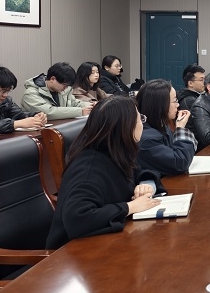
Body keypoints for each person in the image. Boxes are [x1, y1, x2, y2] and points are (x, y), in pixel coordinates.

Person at [46, 96, 161, 249]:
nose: (142, 123)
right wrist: (130, 207)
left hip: (109, 243)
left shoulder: (115, 152)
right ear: (126, 127)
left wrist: (145, 185)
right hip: (73, 254)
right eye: (140, 118)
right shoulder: (88, 169)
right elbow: (77, 218)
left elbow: (139, 172)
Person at [136, 79, 197, 177]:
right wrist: (180, 130)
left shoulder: (160, 124)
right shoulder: (146, 138)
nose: (178, 105)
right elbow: (179, 163)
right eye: (174, 101)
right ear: (160, 105)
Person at [21, 62, 93, 120]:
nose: (65, 88)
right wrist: (80, 111)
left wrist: (91, 106)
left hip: (60, 127)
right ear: (52, 79)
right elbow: (49, 112)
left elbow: (74, 103)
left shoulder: (62, 91)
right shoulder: (30, 94)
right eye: (64, 85)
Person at [0, 66, 47, 133]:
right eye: (3, 91)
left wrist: (35, 116)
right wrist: (16, 124)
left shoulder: (7, 101)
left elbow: (19, 115)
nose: (5, 95)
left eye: (8, 91)